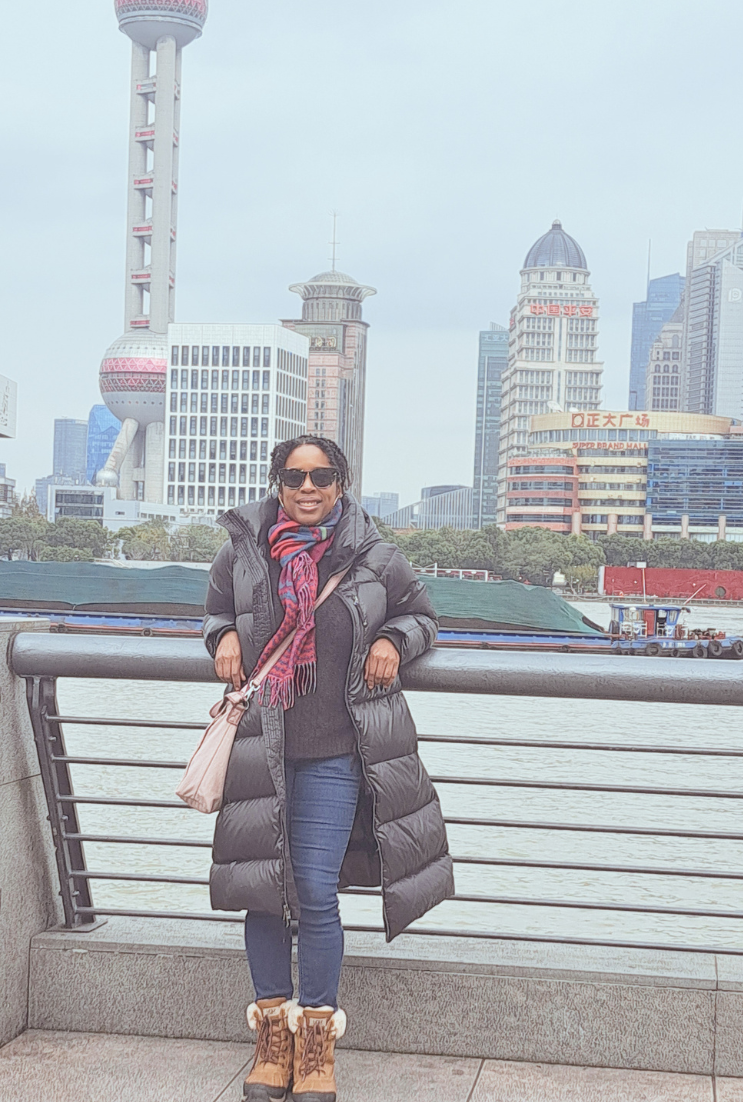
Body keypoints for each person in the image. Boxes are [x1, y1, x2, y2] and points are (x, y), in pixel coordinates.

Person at [204, 435, 453, 1102]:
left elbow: (424, 616)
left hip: (337, 753)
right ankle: (270, 1040)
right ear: (277, 483)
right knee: (262, 888)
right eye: (295, 476)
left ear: (341, 483)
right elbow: (214, 612)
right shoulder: (243, 551)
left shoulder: (374, 556)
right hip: (261, 745)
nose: (308, 487)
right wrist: (223, 635)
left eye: (321, 476)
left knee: (313, 890)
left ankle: (314, 1047)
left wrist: (394, 641)